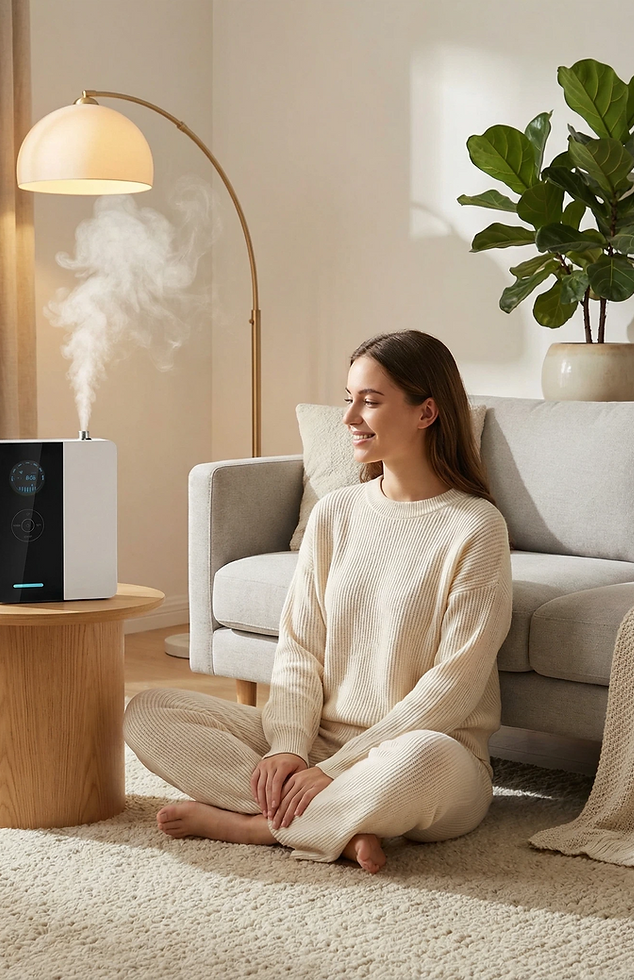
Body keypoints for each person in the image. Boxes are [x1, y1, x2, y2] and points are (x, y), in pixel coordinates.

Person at [124, 330, 512, 873]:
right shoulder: (335, 513)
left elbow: (454, 687)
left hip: (427, 753)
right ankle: (336, 825)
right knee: (149, 712)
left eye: (370, 401)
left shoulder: (476, 527)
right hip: (318, 741)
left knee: (420, 760)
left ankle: (256, 827)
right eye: (348, 397)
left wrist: (343, 767)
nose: (349, 416)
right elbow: (300, 648)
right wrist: (287, 748)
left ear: (426, 413)